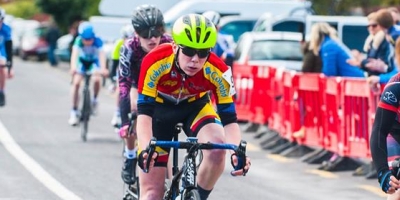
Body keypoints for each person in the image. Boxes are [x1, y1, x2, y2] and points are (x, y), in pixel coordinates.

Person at [135, 14, 251, 200]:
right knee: (151, 195)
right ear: (175, 47)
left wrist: (237, 152)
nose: (195, 59)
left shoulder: (220, 71)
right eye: (189, 51)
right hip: (159, 110)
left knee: (217, 148)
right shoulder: (154, 61)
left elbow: (229, 120)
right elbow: (144, 114)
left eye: (203, 52)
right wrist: (144, 149)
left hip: (194, 106)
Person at [118, 4, 173, 186]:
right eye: (145, 34)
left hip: (160, 86)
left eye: (156, 32)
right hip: (136, 84)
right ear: (136, 33)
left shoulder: (169, 43)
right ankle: (130, 154)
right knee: (134, 109)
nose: (152, 39)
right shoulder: (129, 48)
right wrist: (125, 121)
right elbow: (124, 85)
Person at [370, 38, 400, 200]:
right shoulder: (395, 86)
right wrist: (383, 172)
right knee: (396, 192)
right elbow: (379, 130)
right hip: (396, 133)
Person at [68, 21, 108, 126]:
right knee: (76, 83)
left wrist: (103, 68)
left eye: (90, 39)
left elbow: (102, 56)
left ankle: (94, 100)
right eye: (85, 39)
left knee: (96, 79)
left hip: (94, 62)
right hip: (82, 62)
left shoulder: (98, 41)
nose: (88, 42)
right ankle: (74, 110)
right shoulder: (78, 41)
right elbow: (74, 55)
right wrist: (73, 68)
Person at [109, 24, 134, 128]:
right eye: (126, 38)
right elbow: (114, 63)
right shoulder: (119, 44)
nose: (128, 40)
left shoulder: (136, 44)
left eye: (130, 38)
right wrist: (112, 80)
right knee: (121, 88)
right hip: (122, 68)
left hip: (134, 69)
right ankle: (117, 113)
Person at [0, 8, 13, 107]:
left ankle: (1, 91)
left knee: (2, 65)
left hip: (2, 51)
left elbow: (9, 49)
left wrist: (10, 67)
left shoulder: (6, 29)